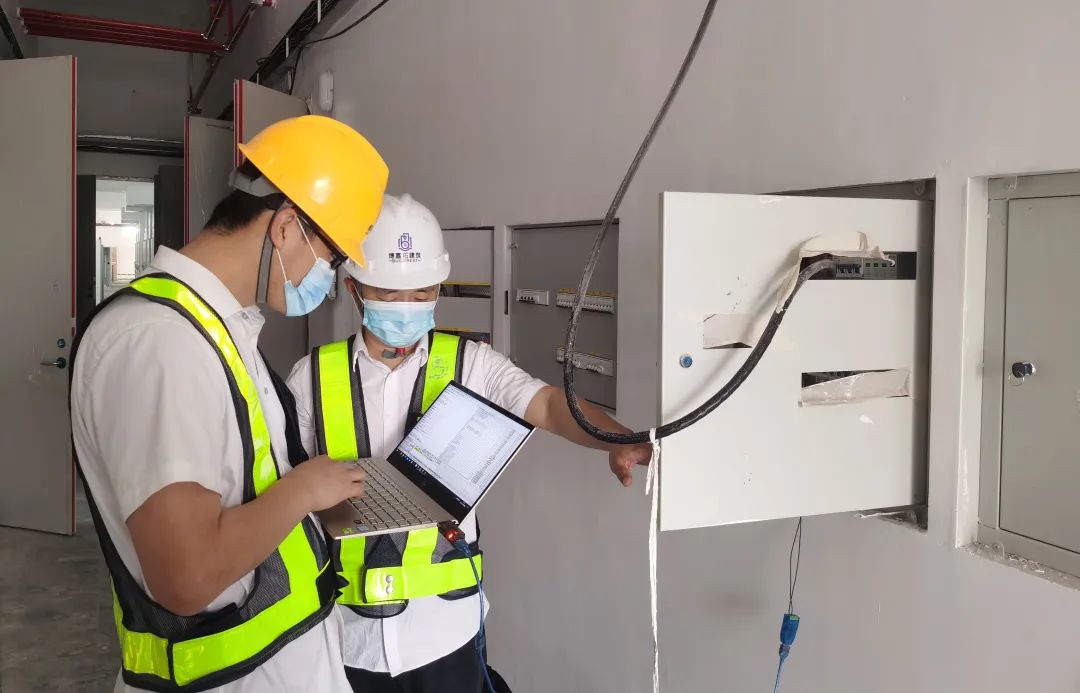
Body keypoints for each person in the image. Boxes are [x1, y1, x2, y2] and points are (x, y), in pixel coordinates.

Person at [69, 115, 388, 692]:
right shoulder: (161, 342)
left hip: (276, 663)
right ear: (286, 227)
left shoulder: (218, 328)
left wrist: (321, 502)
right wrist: (303, 491)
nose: (329, 278)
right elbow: (187, 577)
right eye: (335, 257)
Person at [286, 193, 652, 692]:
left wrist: (613, 439)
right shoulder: (311, 376)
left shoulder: (471, 363)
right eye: (389, 293)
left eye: (422, 292)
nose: (407, 307)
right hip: (346, 637)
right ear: (354, 289)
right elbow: (281, 488)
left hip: (446, 636)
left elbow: (547, 405)